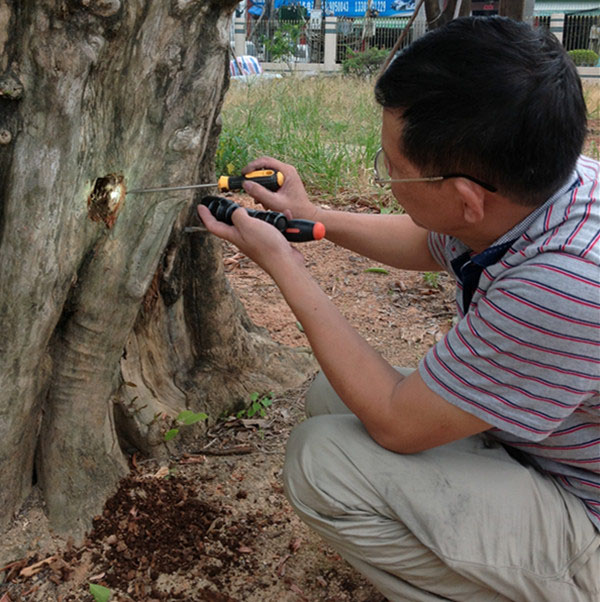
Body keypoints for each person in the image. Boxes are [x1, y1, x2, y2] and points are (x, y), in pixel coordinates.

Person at [198, 16, 600, 601]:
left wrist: (284, 264)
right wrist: (313, 219)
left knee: (323, 463)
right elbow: (431, 238)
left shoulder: (562, 287)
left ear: (466, 197)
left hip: (586, 509)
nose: (386, 177)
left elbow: (395, 420)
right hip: (562, 444)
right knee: (329, 398)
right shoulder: (550, 181)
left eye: (393, 169)